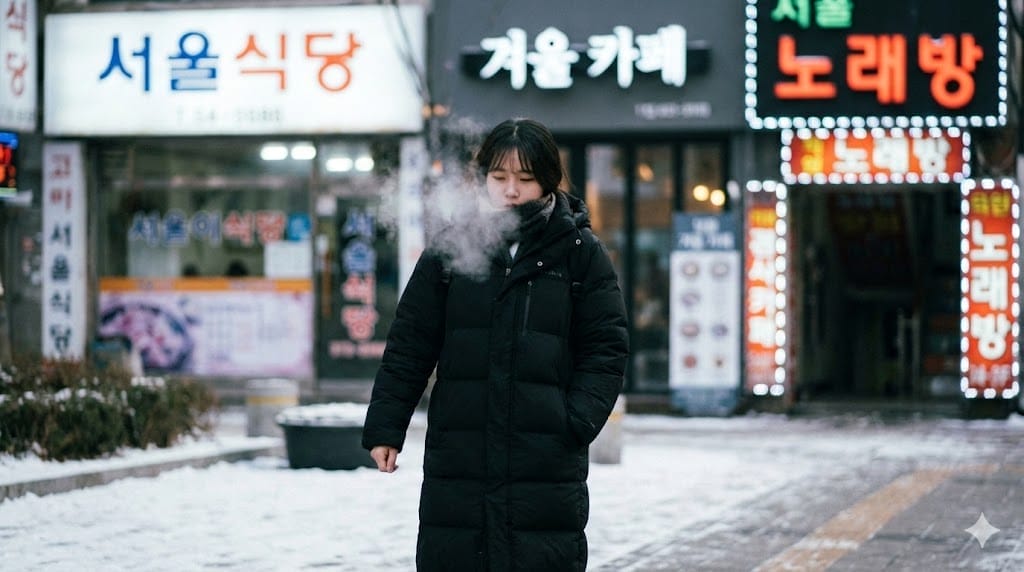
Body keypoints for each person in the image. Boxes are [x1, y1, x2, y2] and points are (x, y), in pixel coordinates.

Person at [362, 118, 628, 571]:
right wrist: (387, 426)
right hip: (461, 449)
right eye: (499, 177)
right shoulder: (451, 249)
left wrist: (574, 421)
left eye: (525, 180)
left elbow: (606, 347)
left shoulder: (580, 252)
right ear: (482, 177)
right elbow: (410, 343)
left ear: (547, 180)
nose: (510, 190)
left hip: (543, 455)